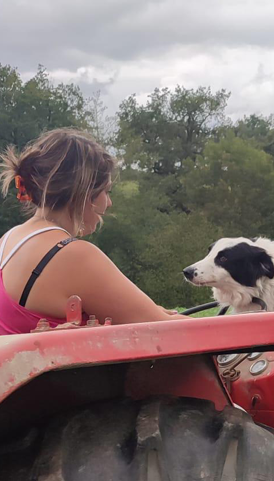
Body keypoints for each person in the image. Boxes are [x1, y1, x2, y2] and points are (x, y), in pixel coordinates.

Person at [0, 128, 186, 334]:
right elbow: (169, 331)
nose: (109, 203)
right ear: (84, 192)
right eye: (106, 191)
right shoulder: (72, 255)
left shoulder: (8, 240)